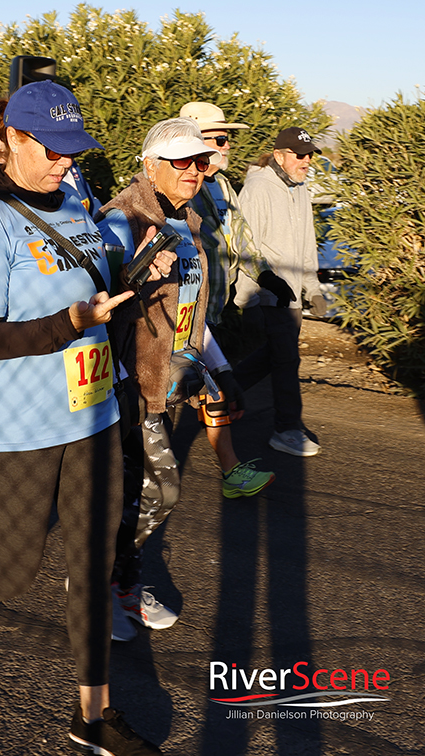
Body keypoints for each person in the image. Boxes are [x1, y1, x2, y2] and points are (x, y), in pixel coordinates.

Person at [0, 80, 166, 756]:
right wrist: (68, 325)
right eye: (50, 149)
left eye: (73, 151)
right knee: (13, 566)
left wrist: (137, 270)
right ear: (11, 141)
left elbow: (90, 282)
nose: (63, 162)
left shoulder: (75, 200)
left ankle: (93, 712)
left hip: (92, 413)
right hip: (18, 427)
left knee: (90, 561)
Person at [100, 117, 273, 639]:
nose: (195, 170)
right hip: (129, 386)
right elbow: (100, 312)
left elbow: (191, 312)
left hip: (171, 381)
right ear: (150, 166)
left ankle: (115, 582)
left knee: (141, 491)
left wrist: (218, 370)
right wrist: (124, 380)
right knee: (156, 490)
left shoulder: (189, 223)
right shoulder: (119, 220)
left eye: (201, 161)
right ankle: (103, 585)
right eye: (182, 161)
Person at [179, 101, 295, 496]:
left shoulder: (223, 185)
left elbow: (239, 236)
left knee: (210, 388)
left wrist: (264, 276)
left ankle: (230, 471)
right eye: (221, 139)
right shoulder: (179, 187)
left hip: (215, 309)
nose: (228, 147)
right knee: (173, 394)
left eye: (227, 139)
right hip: (182, 312)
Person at [233, 127, 326, 457]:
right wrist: (247, 298)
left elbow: (307, 241)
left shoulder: (300, 188)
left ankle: (219, 396)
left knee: (273, 355)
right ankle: (286, 428)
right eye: (300, 155)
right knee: (287, 359)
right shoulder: (257, 188)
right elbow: (245, 245)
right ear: (279, 156)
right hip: (269, 292)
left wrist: (312, 288)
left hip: (293, 295)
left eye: (310, 154)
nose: (307, 160)